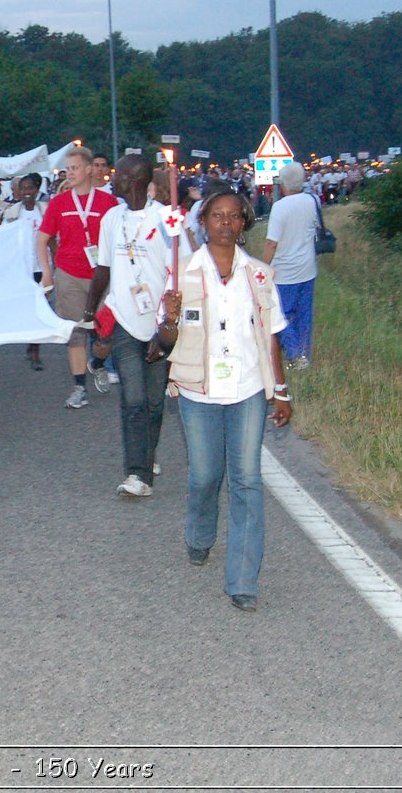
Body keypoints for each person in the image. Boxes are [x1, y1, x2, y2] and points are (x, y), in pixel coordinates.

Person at [165, 186, 292, 613]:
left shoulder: (259, 275)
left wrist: (280, 390)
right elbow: (163, 341)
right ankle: (200, 536)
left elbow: (271, 336)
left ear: (243, 224)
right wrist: (169, 317)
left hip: (248, 389)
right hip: (197, 389)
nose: (225, 223)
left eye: (233, 216)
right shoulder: (180, 273)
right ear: (201, 223)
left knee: (247, 480)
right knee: (205, 475)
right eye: (216, 215)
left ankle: (242, 579)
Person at [85, 155, 173, 498]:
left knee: (154, 401)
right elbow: (103, 268)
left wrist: (167, 326)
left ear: (135, 178)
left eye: (118, 174)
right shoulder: (111, 218)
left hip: (159, 325)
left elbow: (177, 276)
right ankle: (137, 474)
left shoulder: (165, 220)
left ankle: (147, 456)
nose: (112, 178)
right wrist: (91, 310)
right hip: (123, 319)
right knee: (133, 398)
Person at [36, 146, 118, 409]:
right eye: (67, 169)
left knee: (105, 330)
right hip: (69, 275)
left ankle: (99, 363)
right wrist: (47, 271)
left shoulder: (108, 203)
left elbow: (119, 238)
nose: (69, 173)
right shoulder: (59, 203)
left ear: (88, 169)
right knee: (75, 332)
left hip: (102, 276)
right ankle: (79, 387)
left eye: (73, 168)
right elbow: (42, 239)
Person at [262, 162, 320, 370]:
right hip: (307, 268)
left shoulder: (280, 207)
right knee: (304, 314)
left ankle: (295, 354)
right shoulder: (313, 201)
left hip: (284, 272)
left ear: (283, 184)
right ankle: (304, 353)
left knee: (280, 314)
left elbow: (271, 243)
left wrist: (262, 267)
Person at [3, 172, 47, 370]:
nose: (27, 192)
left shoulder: (44, 211)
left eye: (30, 188)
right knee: (29, 307)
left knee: (40, 307)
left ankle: (35, 350)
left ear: (37, 190)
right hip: (22, 267)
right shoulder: (12, 214)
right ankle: (32, 343)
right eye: (23, 189)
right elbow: (3, 239)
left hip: (41, 266)